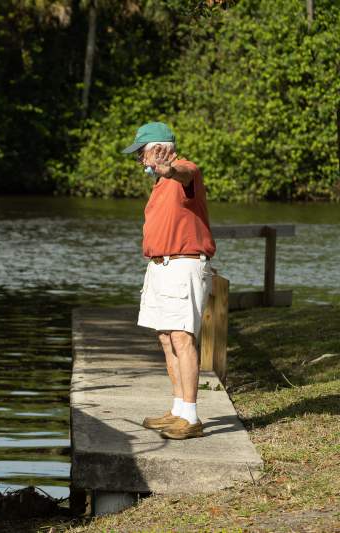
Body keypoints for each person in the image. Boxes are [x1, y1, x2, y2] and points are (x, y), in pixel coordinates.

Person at [121, 122, 216, 440]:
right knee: (166, 337)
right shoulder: (160, 183)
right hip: (161, 266)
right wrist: (163, 172)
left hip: (182, 265)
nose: (140, 161)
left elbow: (186, 173)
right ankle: (177, 410)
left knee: (182, 337)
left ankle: (191, 416)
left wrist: (169, 168)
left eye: (141, 154)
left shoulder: (182, 170)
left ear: (160, 149)